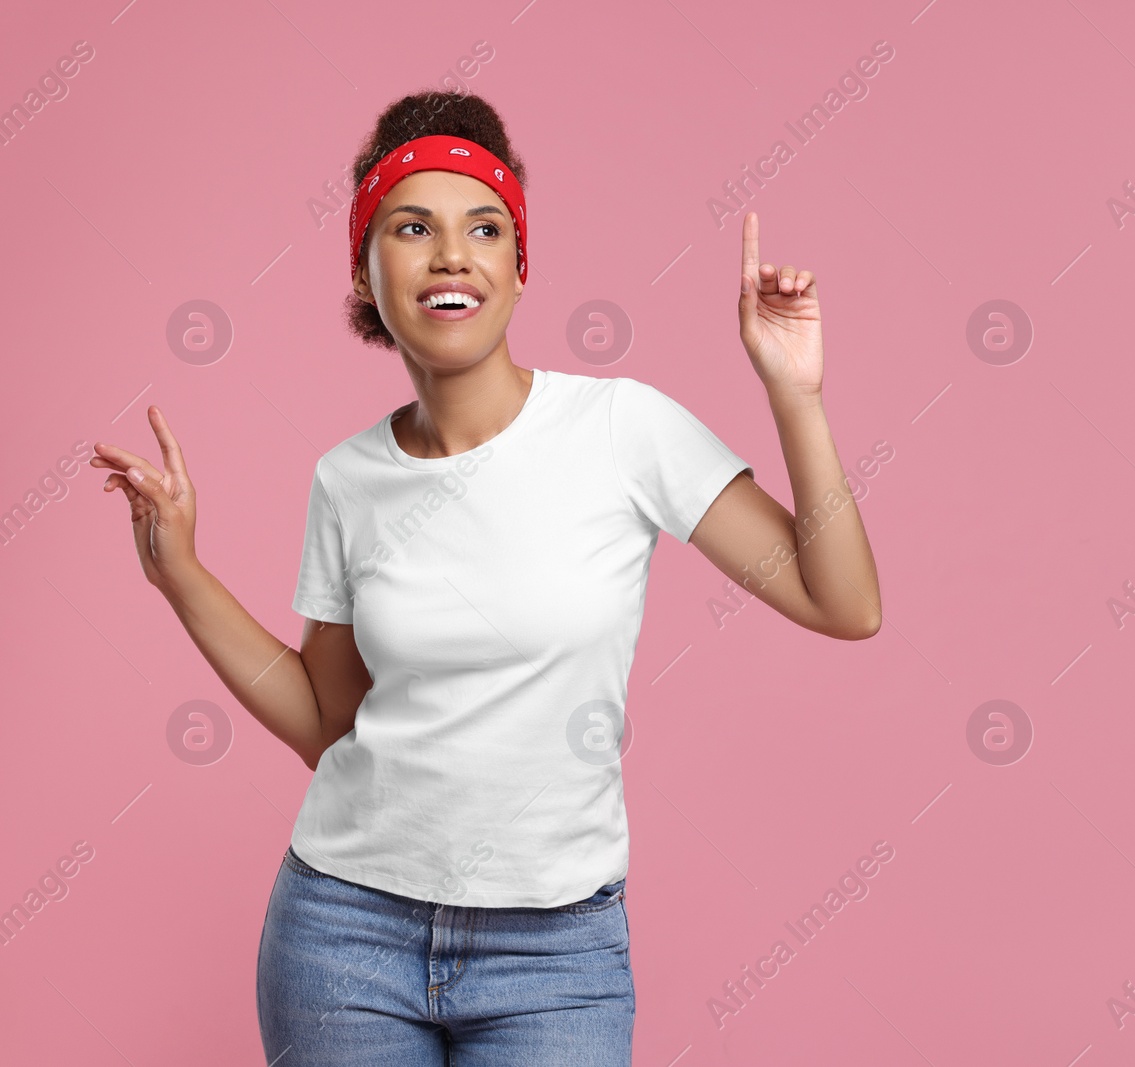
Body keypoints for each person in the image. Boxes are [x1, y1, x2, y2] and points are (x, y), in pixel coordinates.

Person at [90, 90, 881, 1066]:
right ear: (365, 268)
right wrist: (181, 576)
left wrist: (792, 393)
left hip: (554, 953)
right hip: (342, 933)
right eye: (411, 227)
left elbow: (843, 602)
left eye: (483, 226)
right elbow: (326, 721)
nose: (450, 253)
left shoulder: (622, 429)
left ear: (518, 264)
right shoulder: (348, 478)